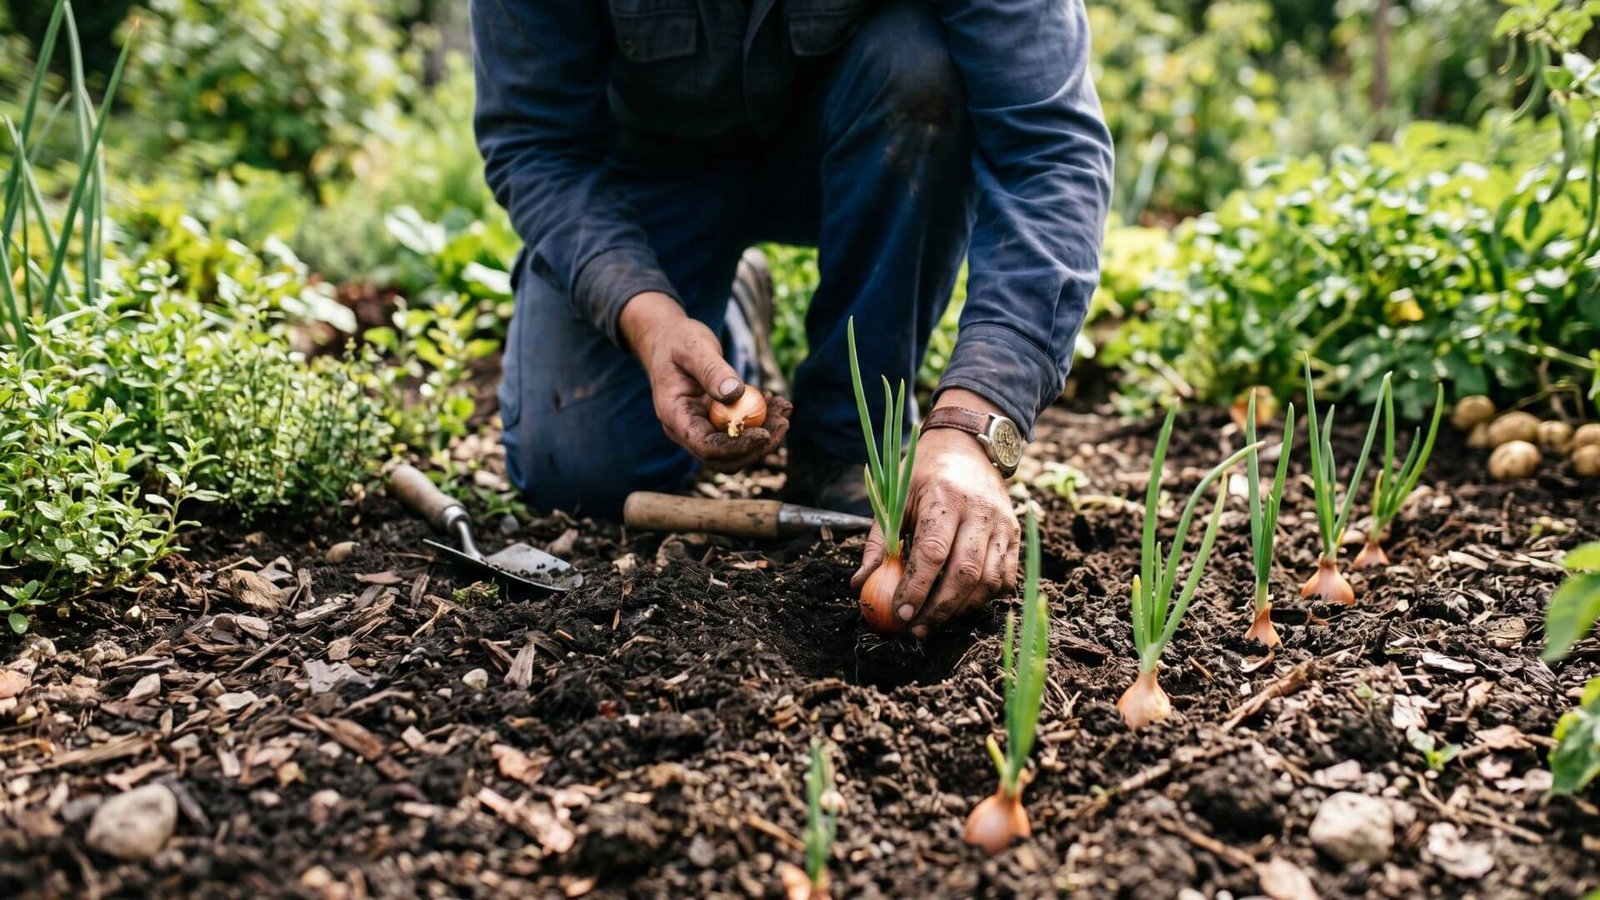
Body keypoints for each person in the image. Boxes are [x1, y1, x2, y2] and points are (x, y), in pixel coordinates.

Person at [472, 0, 1113, 636]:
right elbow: (536, 143)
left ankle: (843, 439)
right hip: (646, 174)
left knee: (921, 72)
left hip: (868, 133)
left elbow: (1050, 149)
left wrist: (973, 423)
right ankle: (717, 333)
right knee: (579, 471)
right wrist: (650, 318)